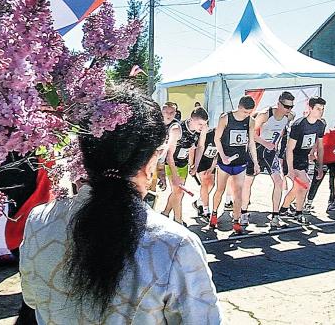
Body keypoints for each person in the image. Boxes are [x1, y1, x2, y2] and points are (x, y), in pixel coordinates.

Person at [19, 87, 222, 324]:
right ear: (150, 162)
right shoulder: (175, 245)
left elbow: (32, 300)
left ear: (84, 154)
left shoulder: (39, 222)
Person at [244, 91, 295, 228]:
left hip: (270, 153)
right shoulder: (265, 114)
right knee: (248, 181)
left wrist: (276, 147)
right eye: (286, 106)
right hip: (257, 150)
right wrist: (265, 143)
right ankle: (243, 213)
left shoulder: (289, 116)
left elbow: (282, 132)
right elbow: (251, 133)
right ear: (278, 104)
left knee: (278, 182)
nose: (288, 110)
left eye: (291, 107)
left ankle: (275, 216)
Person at [210, 96, 256, 234]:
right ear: (239, 107)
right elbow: (216, 138)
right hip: (225, 161)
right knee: (220, 189)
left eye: (249, 113)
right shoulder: (226, 118)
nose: (247, 115)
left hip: (240, 161)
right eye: (245, 112)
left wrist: (256, 161)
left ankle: (236, 221)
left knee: (238, 193)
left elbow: (251, 142)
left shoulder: (250, 121)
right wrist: (223, 156)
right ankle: (213, 214)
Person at [279, 97, 327, 223]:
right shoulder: (299, 125)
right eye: (317, 109)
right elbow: (289, 149)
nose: (320, 112)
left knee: (301, 187)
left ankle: (291, 211)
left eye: (322, 109)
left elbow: (320, 147)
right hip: (292, 158)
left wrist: (320, 167)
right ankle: (288, 210)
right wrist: (289, 169)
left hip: (304, 159)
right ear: (310, 108)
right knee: (304, 184)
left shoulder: (320, 125)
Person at [162, 107, 208, 225]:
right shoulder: (177, 129)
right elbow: (169, 155)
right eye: (200, 124)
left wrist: (195, 166)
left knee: (177, 193)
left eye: (204, 124)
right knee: (178, 192)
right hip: (171, 163)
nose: (202, 127)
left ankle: (165, 213)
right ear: (191, 119)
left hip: (183, 163)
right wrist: (175, 175)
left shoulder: (202, 130)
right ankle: (178, 221)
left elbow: (200, 146)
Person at [145, 102, 179, 208]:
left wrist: (162, 175)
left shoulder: (175, 126)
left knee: (152, 190)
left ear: (175, 113)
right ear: (161, 112)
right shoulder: (153, 124)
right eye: (166, 112)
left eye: (171, 112)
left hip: (158, 161)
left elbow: (166, 154)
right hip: (146, 161)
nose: (168, 115)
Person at [191, 125, 219, 221]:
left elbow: (218, 153)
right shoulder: (207, 135)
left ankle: (199, 202)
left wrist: (212, 167)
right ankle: (206, 210)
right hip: (200, 161)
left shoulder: (223, 137)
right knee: (205, 183)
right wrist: (192, 165)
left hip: (211, 161)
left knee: (212, 184)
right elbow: (194, 149)